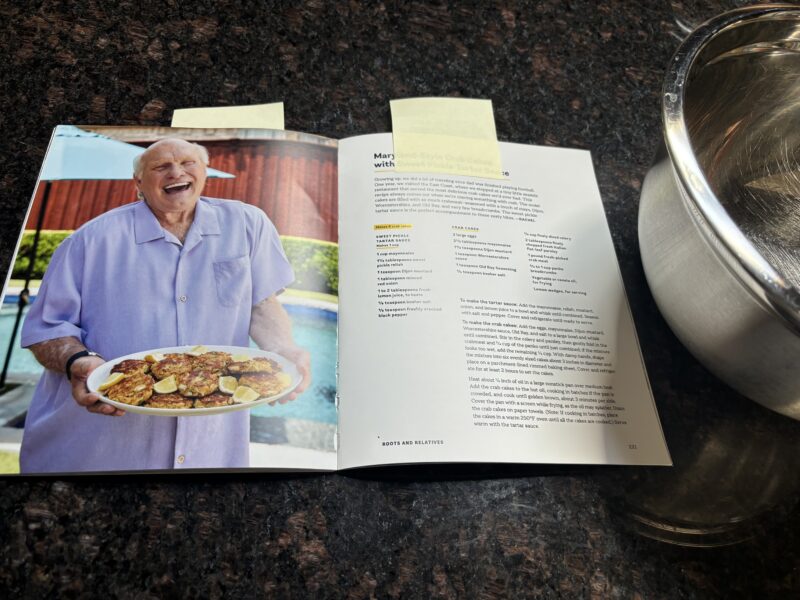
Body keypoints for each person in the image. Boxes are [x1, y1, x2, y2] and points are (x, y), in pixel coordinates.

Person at [19, 138, 310, 473]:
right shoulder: (90, 241)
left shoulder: (248, 224)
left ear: (203, 173)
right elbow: (47, 329)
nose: (177, 172)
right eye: (161, 167)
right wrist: (76, 361)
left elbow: (261, 303)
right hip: (96, 450)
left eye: (188, 163)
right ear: (138, 183)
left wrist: (284, 348)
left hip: (209, 451)